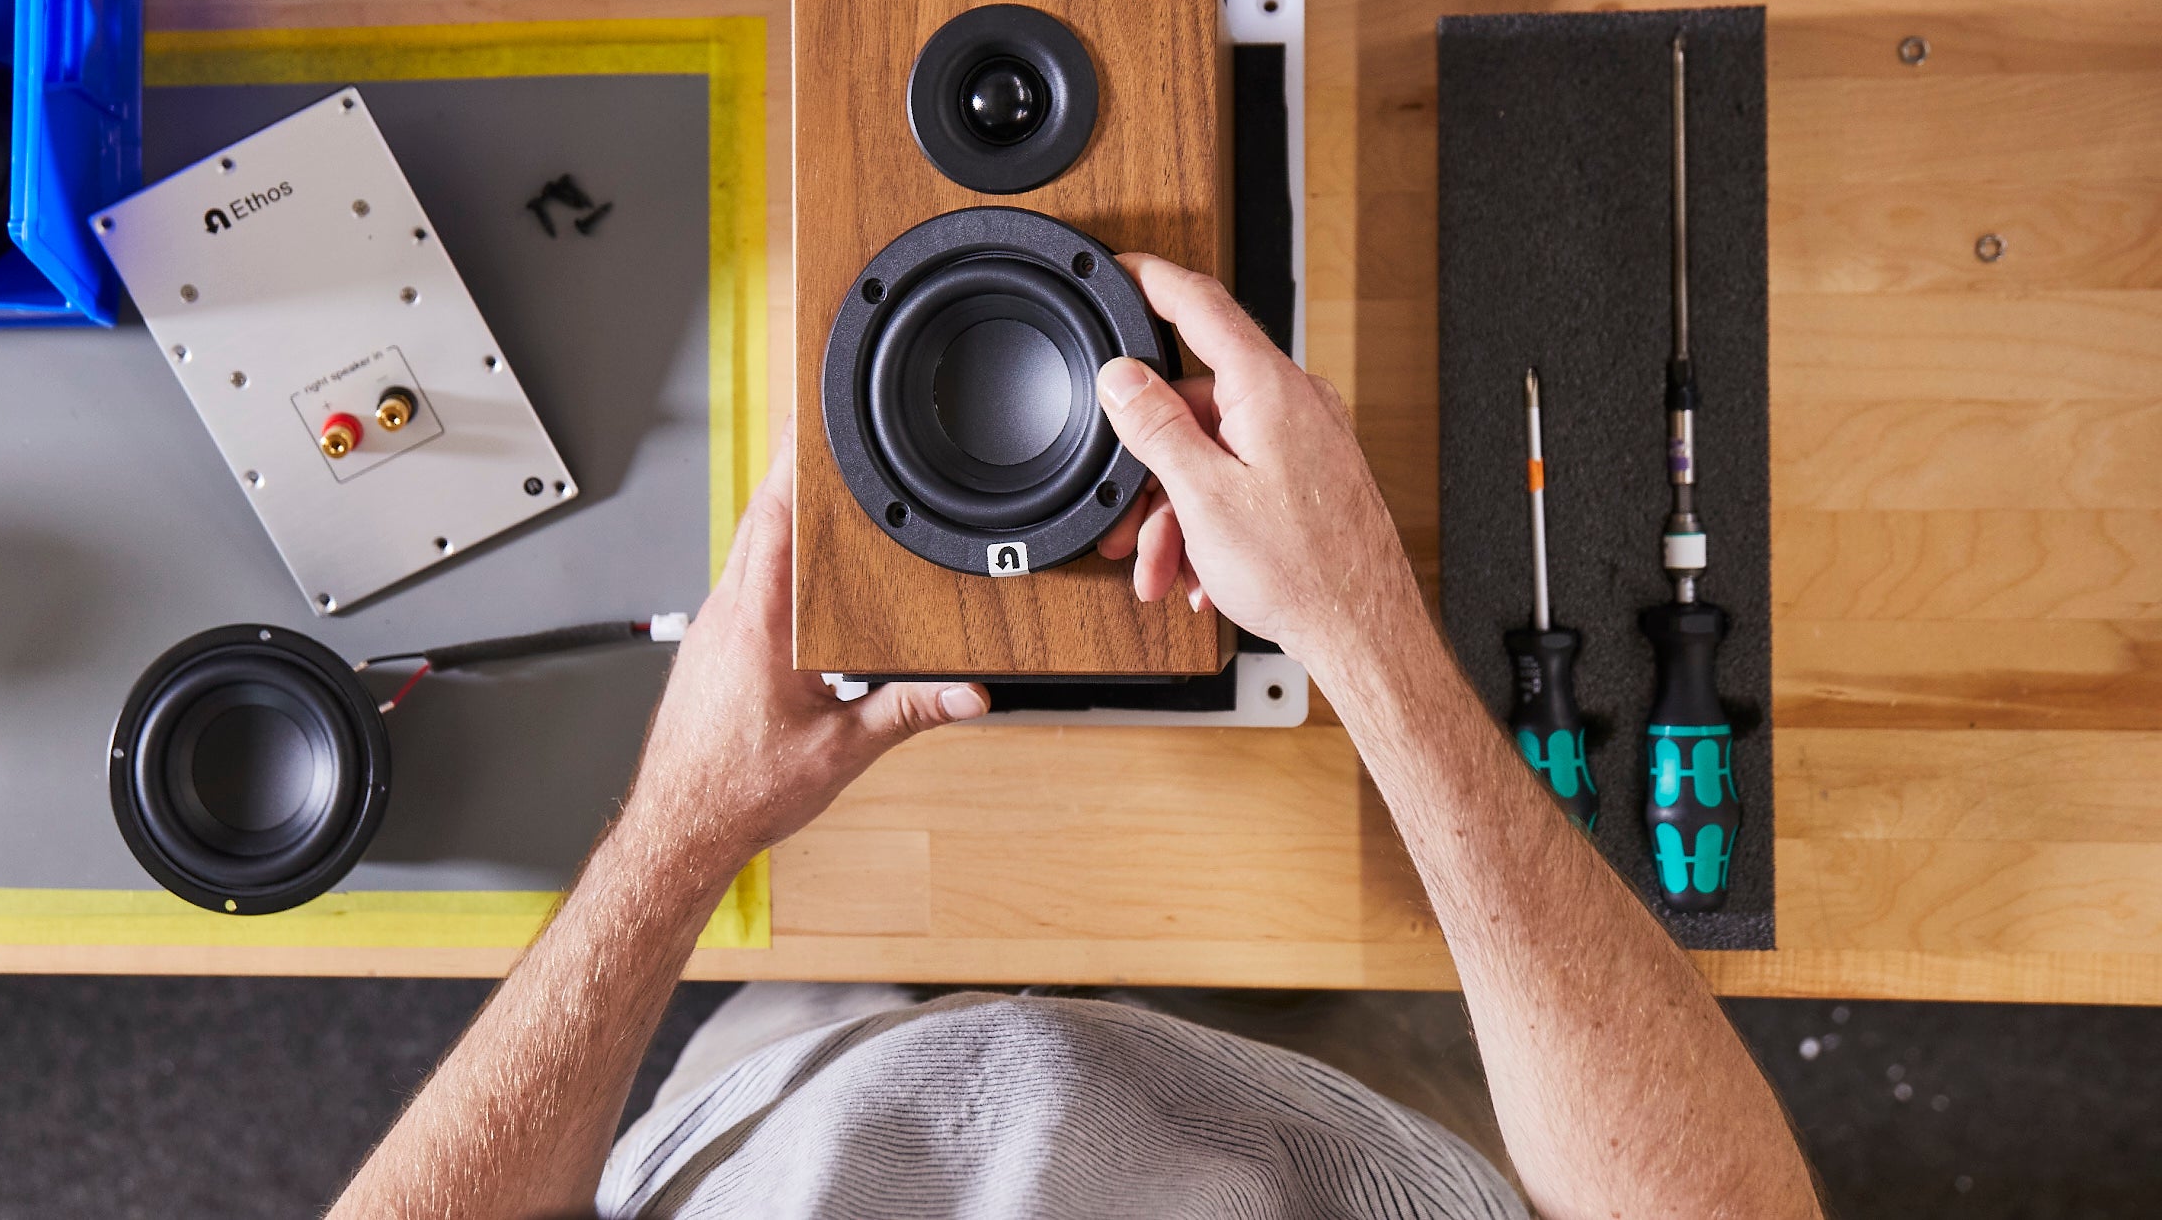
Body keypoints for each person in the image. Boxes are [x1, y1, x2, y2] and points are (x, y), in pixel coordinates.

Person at [329, 254, 1824, 1220]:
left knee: (819, 987)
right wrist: (1362, 626)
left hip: (811, 1093)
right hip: (1349, 1138)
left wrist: (684, 828)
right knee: (1354, 1003)